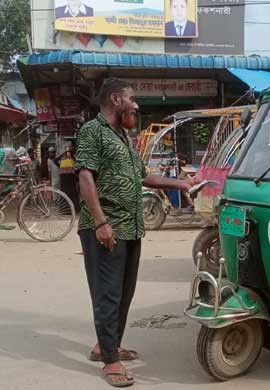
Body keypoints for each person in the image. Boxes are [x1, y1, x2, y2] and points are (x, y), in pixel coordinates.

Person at [75, 78, 200, 387]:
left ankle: (108, 344)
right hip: (105, 227)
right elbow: (85, 178)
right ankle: (111, 361)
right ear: (116, 99)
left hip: (131, 228)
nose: (136, 104)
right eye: (131, 99)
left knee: (124, 293)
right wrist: (102, 223)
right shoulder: (93, 131)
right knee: (108, 295)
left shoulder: (124, 138)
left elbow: (145, 176)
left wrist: (181, 184)